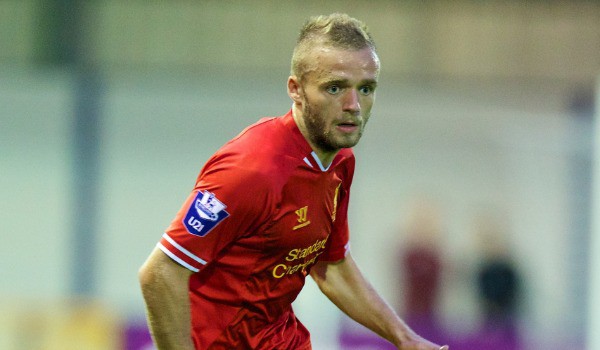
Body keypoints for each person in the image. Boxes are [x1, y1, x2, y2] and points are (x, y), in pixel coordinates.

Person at [138, 13, 448, 350]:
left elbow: (332, 266)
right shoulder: (252, 171)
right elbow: (161, 272)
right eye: (335, 87)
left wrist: (406, 340)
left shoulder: (341, 162)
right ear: (295, 90)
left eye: (366, 88)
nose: (353, 105)